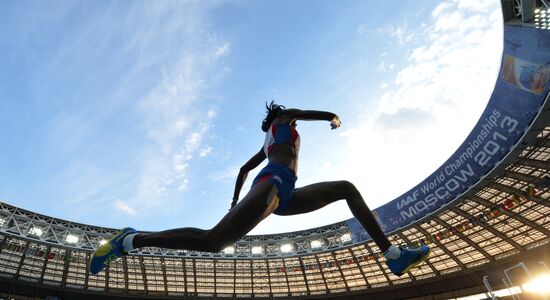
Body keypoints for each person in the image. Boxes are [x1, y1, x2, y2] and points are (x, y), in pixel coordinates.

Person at [90, 102, 430, 276]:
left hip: (285, 191)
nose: (292, 120)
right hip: (273, 184)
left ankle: (393, 255)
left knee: (346, 189)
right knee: (212, 242)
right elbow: (310, 113)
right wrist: (333, 116)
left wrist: (235, 200)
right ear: (279, 116)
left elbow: (242, 169)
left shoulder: (267, 142)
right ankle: (132, 239)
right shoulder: (285, 120)